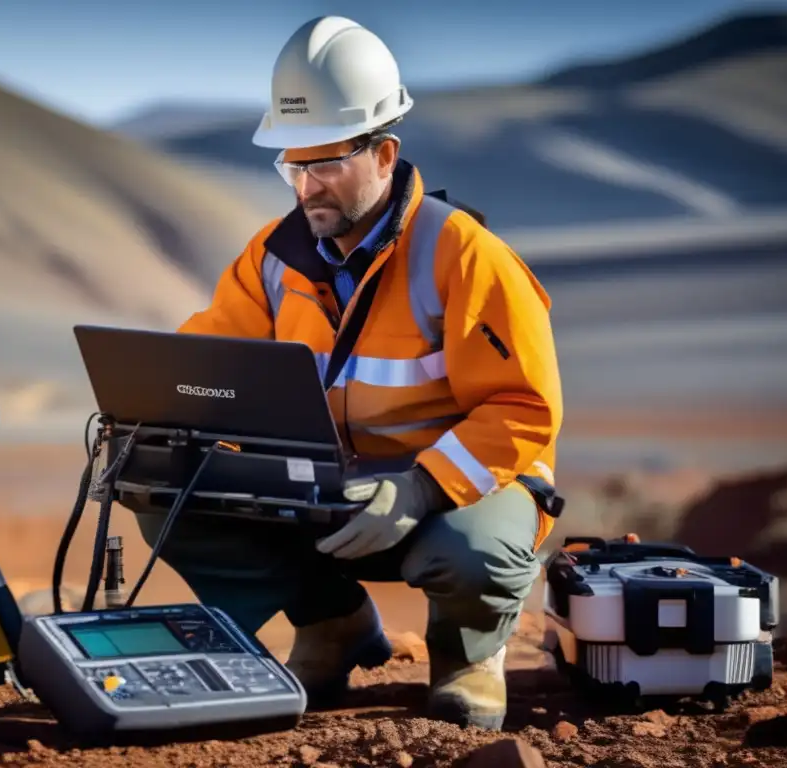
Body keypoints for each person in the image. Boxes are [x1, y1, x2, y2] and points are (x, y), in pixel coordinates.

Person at [125, 16, 563, 731]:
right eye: (293, 166)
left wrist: (422, 485)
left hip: (457, 495)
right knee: (163, 487)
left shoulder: (466, 256)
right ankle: (331, 621)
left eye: (326, 164)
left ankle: (468, 656)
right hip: (329, 494)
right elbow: (207, 364)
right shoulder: (271, 256)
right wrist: (152, 413)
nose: (306, 185)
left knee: (474, 555)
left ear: (385, 154)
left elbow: (524, 408)